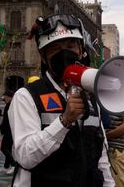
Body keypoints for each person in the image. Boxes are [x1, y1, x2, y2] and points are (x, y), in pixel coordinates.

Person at [9, 14, 114, 186]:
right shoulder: (27, 96)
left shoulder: (91, 98)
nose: (64, 53)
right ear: (44, 57)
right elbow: (25, 157)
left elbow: (101, 157)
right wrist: (64, 121)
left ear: (80, 50)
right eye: (55, 48)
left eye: (71, 46)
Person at [0, 90, 16, 174]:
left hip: (10, 130)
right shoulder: (8, 105)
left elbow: (8, 119)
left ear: (10, 97)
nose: (4, 98)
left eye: (5, 96)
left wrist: (2, 128)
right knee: (8, 148)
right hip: (8, 130)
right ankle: (6, 166)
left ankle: (13, 165)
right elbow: (2, 115)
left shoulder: (12, 105)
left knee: (3, 148)